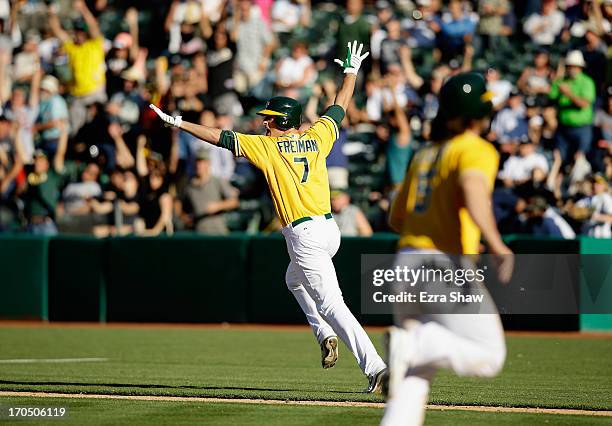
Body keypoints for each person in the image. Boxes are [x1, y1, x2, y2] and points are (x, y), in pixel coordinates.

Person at [150, 41, 387, 392]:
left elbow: (219, 137)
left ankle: (377, 369)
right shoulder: (317, 136)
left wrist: (181, 124)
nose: (264, 123)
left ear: (281, 122)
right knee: (294, 280)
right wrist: (350, 72)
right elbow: (339, 105)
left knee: (333, 304)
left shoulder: (269, 147)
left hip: (304, 234)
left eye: (269, 119)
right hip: (328, 231)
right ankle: (323, 335)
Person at [382, 73, 512, 426]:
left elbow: (396, 218)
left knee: (414, 376)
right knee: (490, 355)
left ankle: (412, 349)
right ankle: (416, 342)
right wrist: (497, 243)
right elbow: (472, 191)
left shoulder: (424, 153)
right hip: (443, 266)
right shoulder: (474, 148)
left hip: (404, 265)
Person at [48, 0, 106, 136]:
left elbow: (93, 26)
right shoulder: (72, 48)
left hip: (95, 94)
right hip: (78, 96)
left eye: (81, 32)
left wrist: (83, 9)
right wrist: (51, 13)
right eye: (77, 32)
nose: (78, 35)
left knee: (96, 130)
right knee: (76, 132)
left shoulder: (95, 45)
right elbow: (57, 30)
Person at [549, 50, 596, 165]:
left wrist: (568, 94)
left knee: (580, 159)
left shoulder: (587, 82)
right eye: (569, 66)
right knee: (558, 158)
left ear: (580, 67)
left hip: (582, 128)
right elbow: (551, 96)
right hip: (564, 128)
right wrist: (556, 79)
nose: (571, 69)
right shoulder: (561, 81)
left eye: (574, 66)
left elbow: (584, 104)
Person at [180, 149, 239, 235]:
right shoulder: (190, 186)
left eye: (202, 162)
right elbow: (178, 203)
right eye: (197, 162)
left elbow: (234, 202)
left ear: (208, 164)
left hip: (218, 232)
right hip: (198, 232)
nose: (198, 165)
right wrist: (184, 217)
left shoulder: (217, 181)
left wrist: (218, 206)